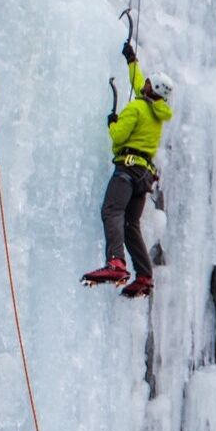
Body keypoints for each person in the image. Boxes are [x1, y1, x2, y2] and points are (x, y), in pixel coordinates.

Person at [80, 40, 175, 298]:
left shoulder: (136, 108)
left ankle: (116, 262)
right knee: (131, 223)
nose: (142, 84)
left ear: (151, 89)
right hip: (143, 177)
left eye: (147, 84)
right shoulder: (157, 112)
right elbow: (139, 84)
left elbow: (119, 137)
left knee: (112, 210)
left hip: (126, 171)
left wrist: (112, 123)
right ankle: (144, 275)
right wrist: (131, 60)